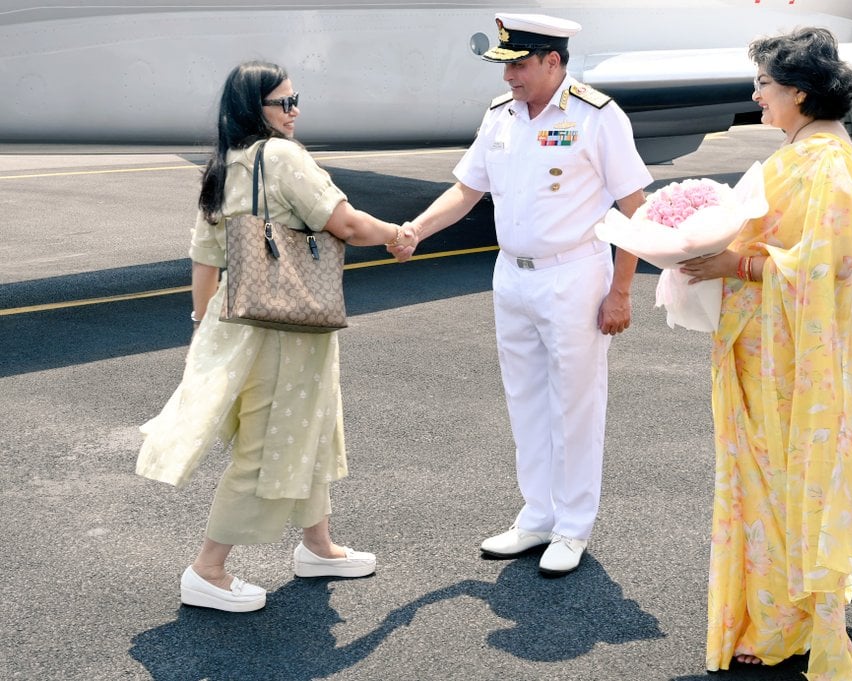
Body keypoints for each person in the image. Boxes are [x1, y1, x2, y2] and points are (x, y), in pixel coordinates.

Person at [136, 60, 416, 612]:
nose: (295, 111)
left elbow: (205, 262)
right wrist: (399, 235)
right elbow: (348, 224)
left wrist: (203, 331)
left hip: (237, 324)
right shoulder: (283, 157)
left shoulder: (224, 166)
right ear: (255, 109)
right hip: (286, 330)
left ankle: (318, 546)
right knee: (270, 444)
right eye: (283, 103)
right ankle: (207, 569)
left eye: (295, 99)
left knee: (303, 429)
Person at [389, 13, 652, 576]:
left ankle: (573, 526)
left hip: (575, 274)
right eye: (505, 66)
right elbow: (466, 190)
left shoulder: (597, 117)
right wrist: (414, 229)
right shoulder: (500, 116)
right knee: (525, 398)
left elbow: (636, 209)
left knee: (576, 403)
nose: (509, 77)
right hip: (511, 275)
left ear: (553, 61)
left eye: (519, 65)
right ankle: (536, 516)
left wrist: (621, 290)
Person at [678, 27, 852, 679]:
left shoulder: (820, 159)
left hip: (799, 356)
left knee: (790, 475)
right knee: (775, 474)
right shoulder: (805, 151)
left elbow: (834, 264)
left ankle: (782, 619)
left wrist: (735, 262)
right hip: (777, 346)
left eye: (764, 83)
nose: (757, 95)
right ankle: (780, 608)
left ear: (797, 90)